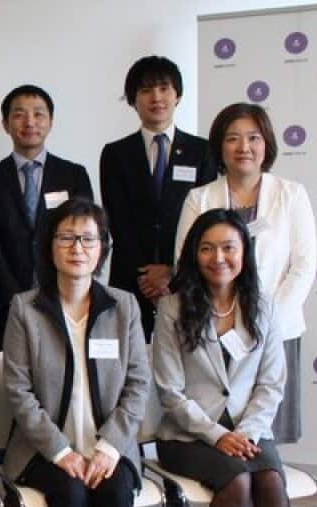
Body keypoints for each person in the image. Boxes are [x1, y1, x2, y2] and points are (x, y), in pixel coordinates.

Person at [2, 199, 149, 507]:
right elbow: (18, 390)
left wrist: (109, 449)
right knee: (69, 494)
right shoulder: (26, 308)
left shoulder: (124, 306)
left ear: (103, 248)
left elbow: (139, 384)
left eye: (88, 238)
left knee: (117, 492)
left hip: (110, 447)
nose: (78, 248)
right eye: (66, 237)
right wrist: (63, 451)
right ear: (50, 247)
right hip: (45, 450)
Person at [175, 102, 317, 507]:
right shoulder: (201, 198)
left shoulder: (291, 195)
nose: (244, 147)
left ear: (266, 144)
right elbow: (187, 262)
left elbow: (303, 264)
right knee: (216, 422)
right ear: (220, 146)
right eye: (233, 138)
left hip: (272, 331)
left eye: (253, 137)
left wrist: (262, 319)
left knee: (260, 427)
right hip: (210, 332)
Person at [153, 209, 297, 507]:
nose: (219, 257)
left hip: (248, 431)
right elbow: (169, 392)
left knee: (271, 480)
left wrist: (248, 432)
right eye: (207, 248)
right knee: (236, 484)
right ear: (194, 255)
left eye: (229, 247)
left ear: (244, 253)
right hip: (187, 435)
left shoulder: (263, 306)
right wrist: (218, 435)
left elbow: (272, 382)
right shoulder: (173, 307)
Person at [100, 56, 216, 339]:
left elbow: (205, 221)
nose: (156, 97)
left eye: (164, 88)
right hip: (131, 279)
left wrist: (172, 272)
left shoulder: (203, 151)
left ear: (178, 95)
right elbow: (117, 219)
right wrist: (147, 277)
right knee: (131, 362)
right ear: (133, 100)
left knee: (184, 361)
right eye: (146, 90)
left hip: (187, 278)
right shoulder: (116, 154)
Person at [0, 84, 94, 352]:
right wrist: (13, 292)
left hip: (65, 298)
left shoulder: (74, 175)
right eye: (19, 114)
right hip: (4, 300)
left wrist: (61, 285)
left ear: (51, 122)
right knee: (9, 381)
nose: (29, 122)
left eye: (38, 114)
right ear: (5, 124)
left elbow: (88, 235)